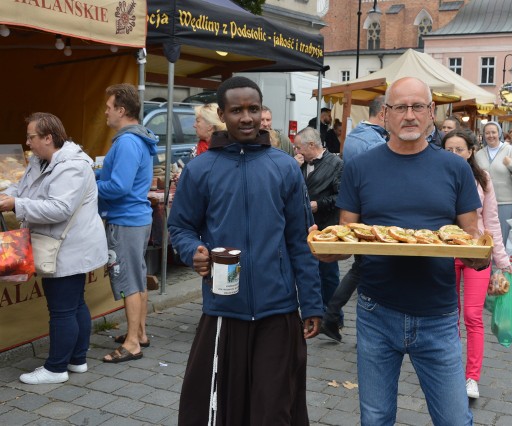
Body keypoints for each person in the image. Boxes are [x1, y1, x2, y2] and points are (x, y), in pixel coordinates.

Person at [315, 77, 486, 425]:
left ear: (431, 113)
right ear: (386, 114)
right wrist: (327, 251)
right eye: (400, 107)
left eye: (418, 106)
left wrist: (480, 258)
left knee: (455, 419)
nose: (410, 115)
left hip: (437, 313)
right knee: (376, 419)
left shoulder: (454, 168)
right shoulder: (361, 166)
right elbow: (349, 236)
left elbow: (471, 239)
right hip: (377, 310)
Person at [167, 76, 323, 425]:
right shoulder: (200, 169)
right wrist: (192, 250)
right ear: (222, 113)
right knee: (221, 408)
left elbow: (299, 239)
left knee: (274, 408)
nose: (247, 117)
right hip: (224, 310)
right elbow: (180, 226)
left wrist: (311, 302)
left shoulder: (283, 166)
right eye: (237, 110)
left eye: (253, 109)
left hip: (278, 309)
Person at [0, 113, 107, 384]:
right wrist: (8, 194)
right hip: (65, 244)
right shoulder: (41, 160)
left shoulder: (72, 166)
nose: (27, 142)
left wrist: (15, 205)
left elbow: (60, 209)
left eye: (31, 137)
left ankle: (56, 368)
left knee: (62, 309)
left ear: (48, 138)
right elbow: (23, 187)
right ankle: (77, 359)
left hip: (67, 247)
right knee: (74, 304)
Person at [443, 129, 511, 399]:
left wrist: (502, 260)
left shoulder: (483, 179)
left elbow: (492, 220)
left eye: (459, 149)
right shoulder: (437, 178)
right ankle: (449, 369)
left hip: (477, 254)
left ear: (471, 151)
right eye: (448, 150)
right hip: (445, 252)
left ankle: (471, 377)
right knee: (449, 315)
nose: (454, 154)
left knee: (472, 315)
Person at [97, 83, 158, 363]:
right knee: (137, 276)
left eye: (109, 108)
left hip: (126, 220)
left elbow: (118, 187)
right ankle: (140, 333)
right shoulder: (138, 138)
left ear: (121, 110)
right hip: (136, 217)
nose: (106, 113)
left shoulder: (126, 142)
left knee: (129, 280)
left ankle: (133, 343)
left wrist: (88, 185)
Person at [320, 95, 388, 342]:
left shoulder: (353, 137)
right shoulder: (377, 142)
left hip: (357, 208)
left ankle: (332, 315)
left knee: (361, 267)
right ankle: (351, 323)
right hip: (374, 211)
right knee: (367, 268)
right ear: (383, 114)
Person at [293, 127, 343, 324]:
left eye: (298, 148)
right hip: (304, 226)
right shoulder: (299, 163)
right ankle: (316, 311)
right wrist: (293, 167)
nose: (296, 151)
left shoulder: (336, 164)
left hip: (326, 227)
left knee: (329, 274)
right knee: (310, 272)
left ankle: (333, 317)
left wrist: (319, 204)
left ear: (311, 145)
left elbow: (342, 196)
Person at [476, 121, 512, 241]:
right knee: (487, 239)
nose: (490, 135)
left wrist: (511, 164)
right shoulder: (479, 154)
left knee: (503, 241)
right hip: (485, 203)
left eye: (493, 132)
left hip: (505, 203)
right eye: (487, 133)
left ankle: (502, 261)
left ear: (499, 133)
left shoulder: (511, 151)